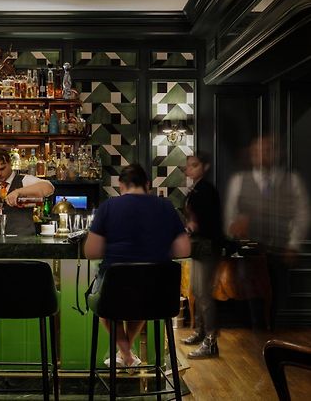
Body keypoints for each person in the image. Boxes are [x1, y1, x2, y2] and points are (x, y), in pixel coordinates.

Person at [84, 163, 191, 369]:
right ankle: (126, 353)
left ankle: (125, 353)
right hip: (156, 296)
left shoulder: (109, 206)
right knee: (141, 296)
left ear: (121, 185)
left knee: (105, 302)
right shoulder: (166, 206)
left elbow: (91, 252)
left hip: (114, 294)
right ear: (148, 185)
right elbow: (183, 250)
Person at [225, 135, 309, 254]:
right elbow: (230, 215)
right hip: (248, 251)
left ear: (277, 153)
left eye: (266, 150)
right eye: (256, 151)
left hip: (282, 250)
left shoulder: (293, 180)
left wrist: (293, 245)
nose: (260, 154)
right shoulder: (238, 180)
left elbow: (302, 215)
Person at [181, 153, 223, 359]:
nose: (189, 169)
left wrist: (192, 226)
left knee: (204, 293)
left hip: (208, 246)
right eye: (188, 165)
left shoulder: (206, 190)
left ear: (205, 167)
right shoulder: (197, 188)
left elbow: (206, 221)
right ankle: (200, 332)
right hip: (200, 246)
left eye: (194, 165)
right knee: (198, 291)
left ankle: (211, 342)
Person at [0, 148, 54, 235]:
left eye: (2, 169)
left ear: (10, 163)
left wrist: (18, 192)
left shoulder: (25, 180)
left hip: (24, 240)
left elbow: (49, 187)